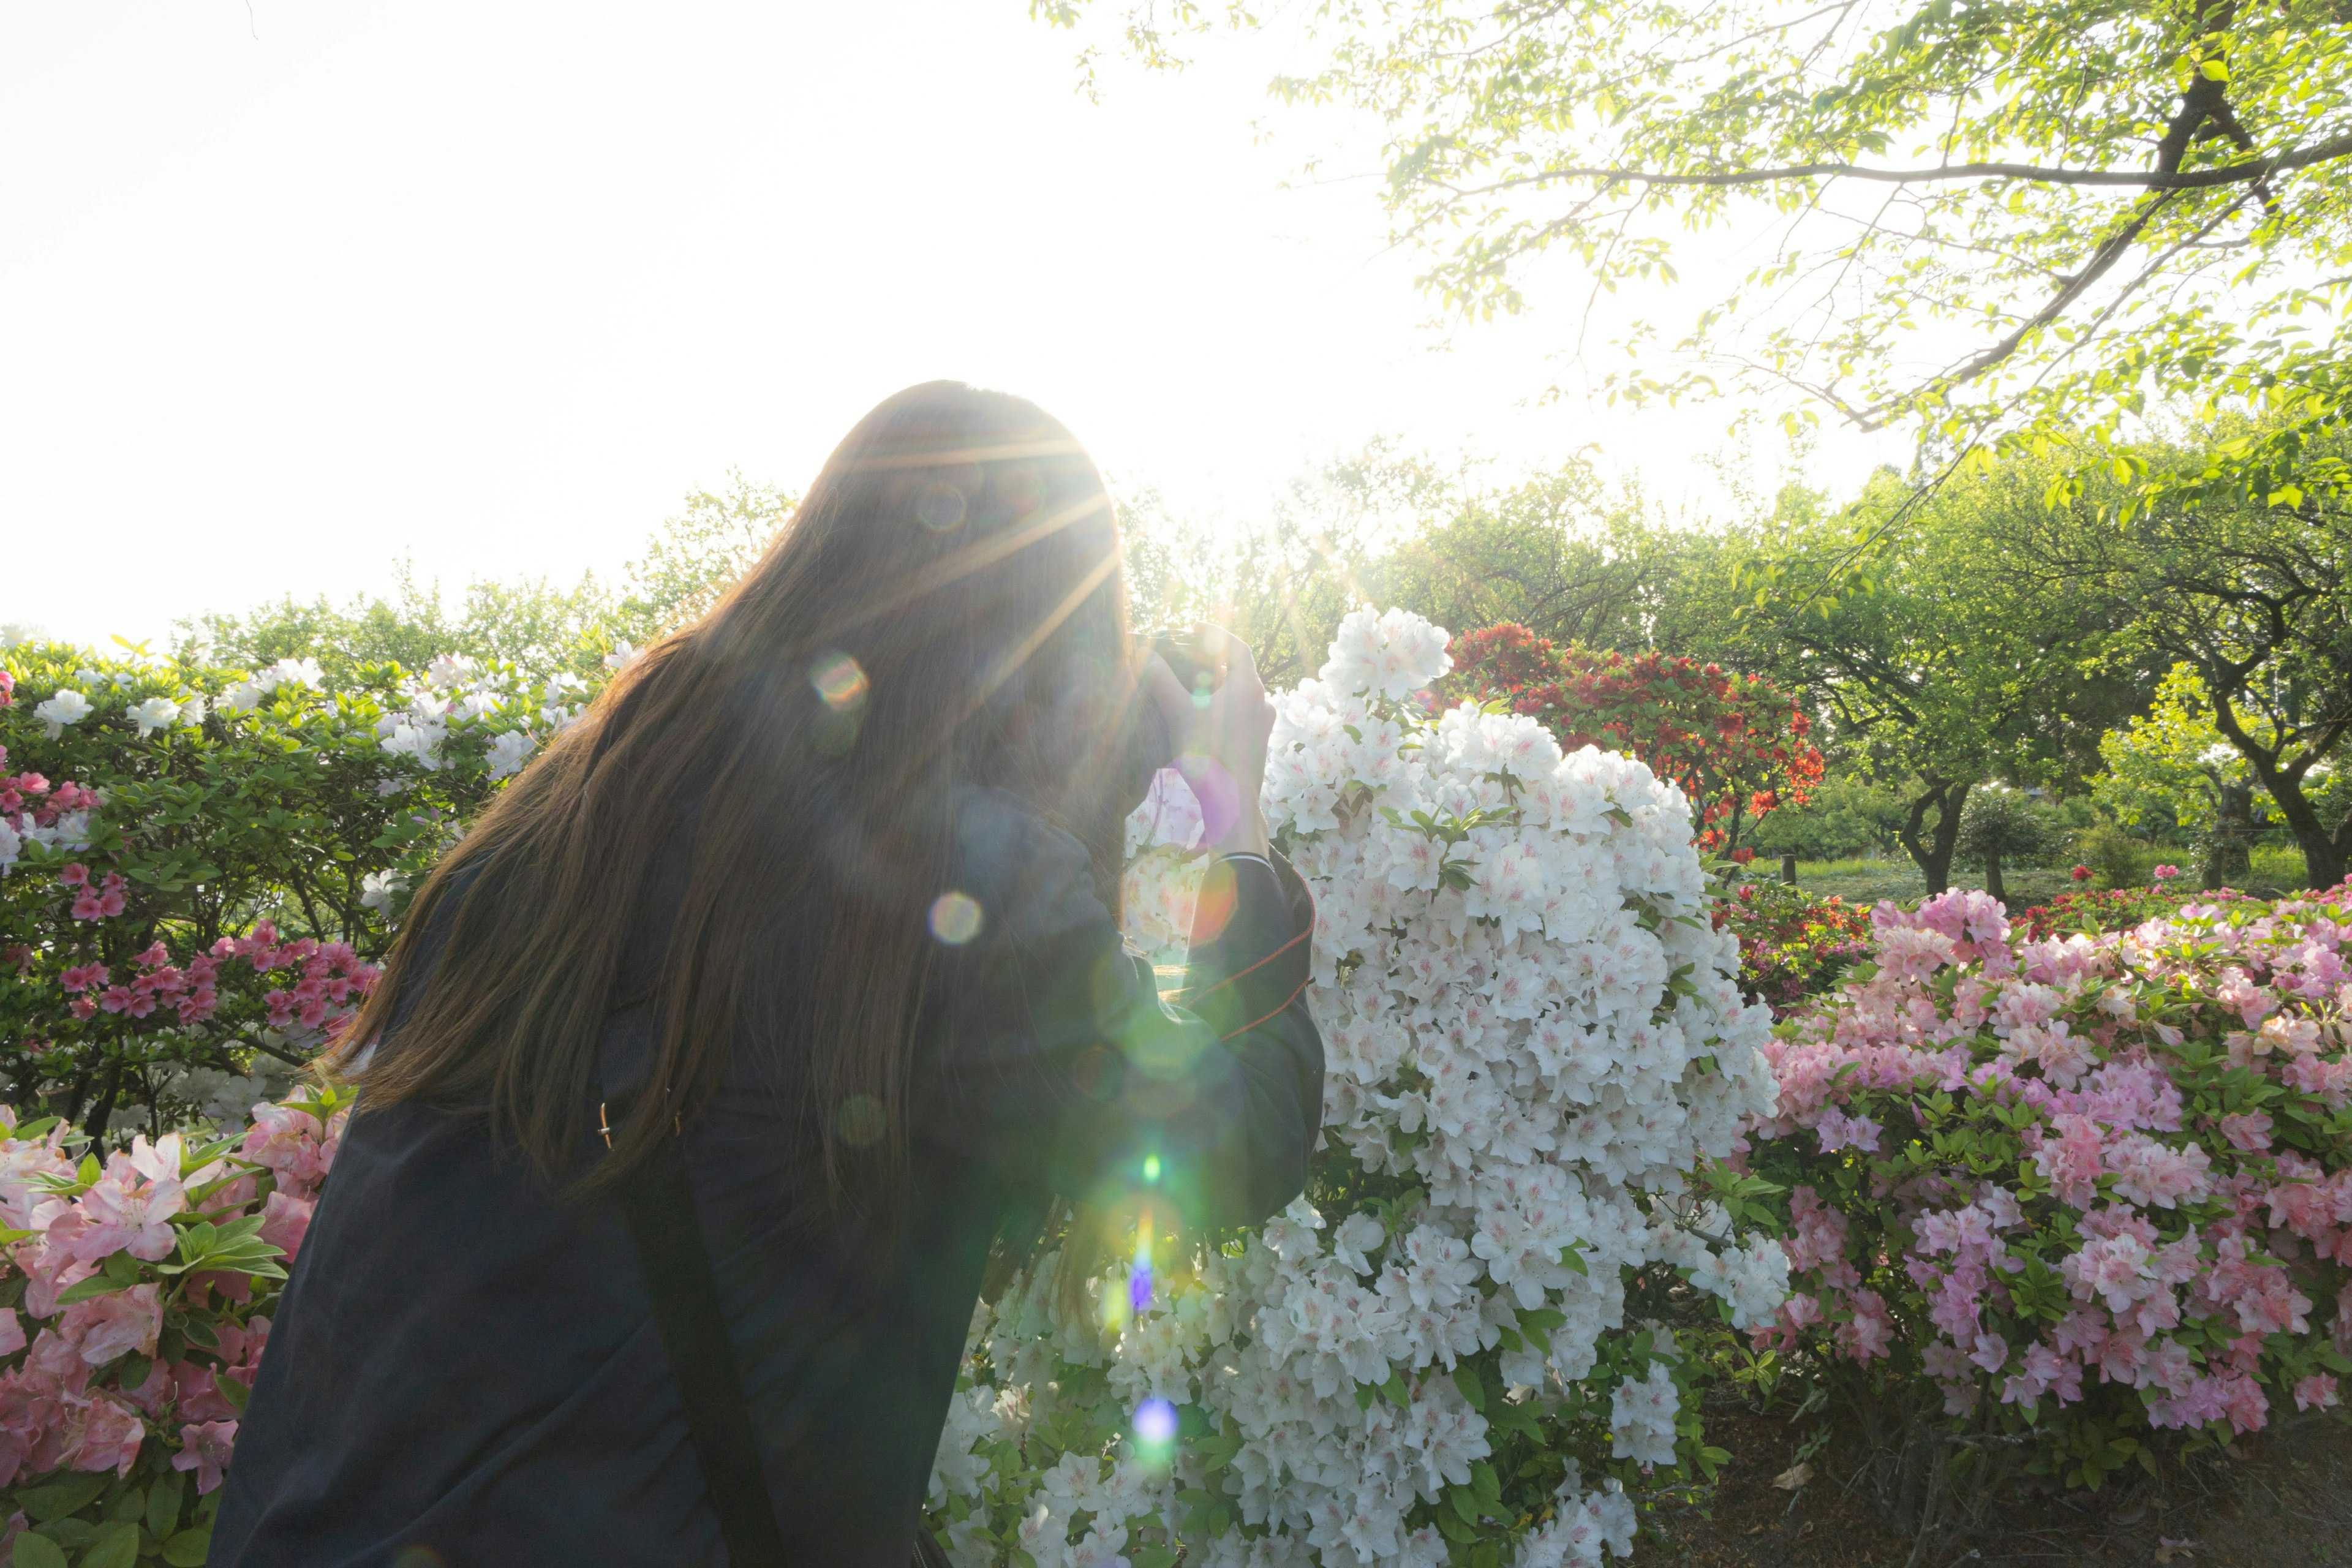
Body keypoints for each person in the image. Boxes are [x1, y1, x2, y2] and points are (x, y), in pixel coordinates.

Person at [211, 383, 1324, 1566]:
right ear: (1059, 644)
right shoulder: (963, 879)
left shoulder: (553, 823)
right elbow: (1229, 1148)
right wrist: (1230, 811)